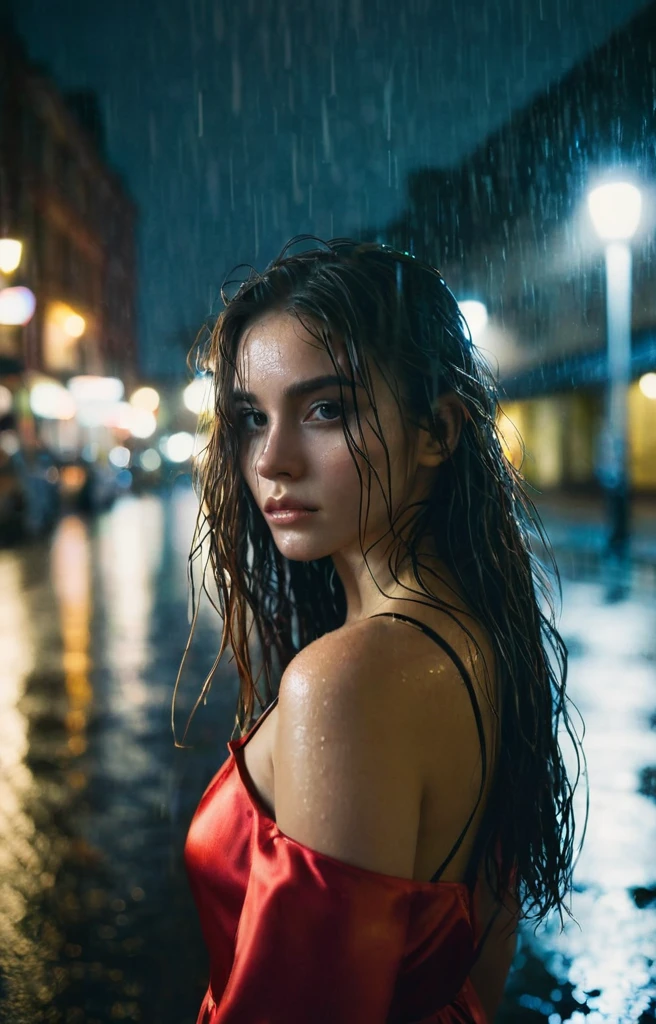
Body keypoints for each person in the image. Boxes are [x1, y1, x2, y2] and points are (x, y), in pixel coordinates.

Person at [178, 238, 582, 1023]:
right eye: (251, 418)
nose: (271, 460)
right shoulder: (479, 635)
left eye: (326, 410)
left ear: (437, 430)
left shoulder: (352, 681)